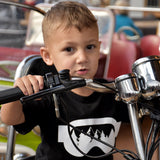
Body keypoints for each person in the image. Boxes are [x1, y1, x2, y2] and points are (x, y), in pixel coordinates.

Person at [1, 1, 129, 160]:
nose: (82, 58)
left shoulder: (112, 91)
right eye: (69, 49)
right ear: (47, 56)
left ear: (98, 48)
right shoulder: (47, 93)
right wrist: (18, 93)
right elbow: (10, 119)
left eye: (90, 47)